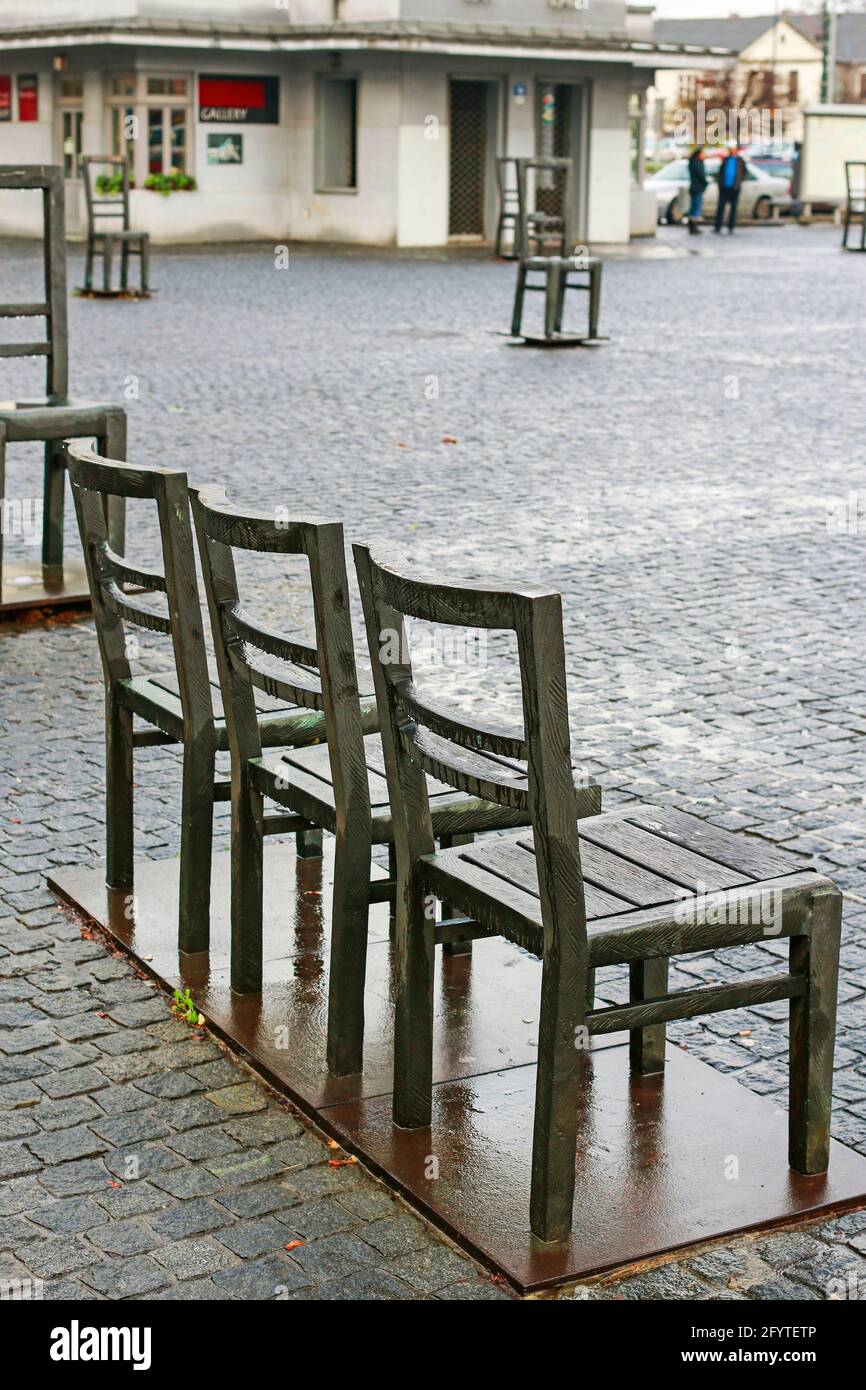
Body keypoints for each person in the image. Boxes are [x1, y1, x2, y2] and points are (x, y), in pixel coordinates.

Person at [715, 142, 747, 234]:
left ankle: (731, 227)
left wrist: (739, 181)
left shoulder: (740, 160)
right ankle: (718, 226)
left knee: (733, 208)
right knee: (721, 207)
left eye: (733, 148)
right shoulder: (726, 159)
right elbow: (720, 171)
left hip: (734, 188)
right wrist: (719, 183)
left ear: (736, 150)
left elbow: (744, 172)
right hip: (724, 187)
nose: (731, 150)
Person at [686, 145, 707, 235]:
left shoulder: (692, 162)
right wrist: (706, 183)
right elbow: (701, 176)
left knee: (693, 208)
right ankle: (693, 227)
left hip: (693, 187)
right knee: (696, 208)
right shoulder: (697, 163)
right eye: (703, 154)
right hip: (697, 188)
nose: (704, 155)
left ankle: (692, 227)